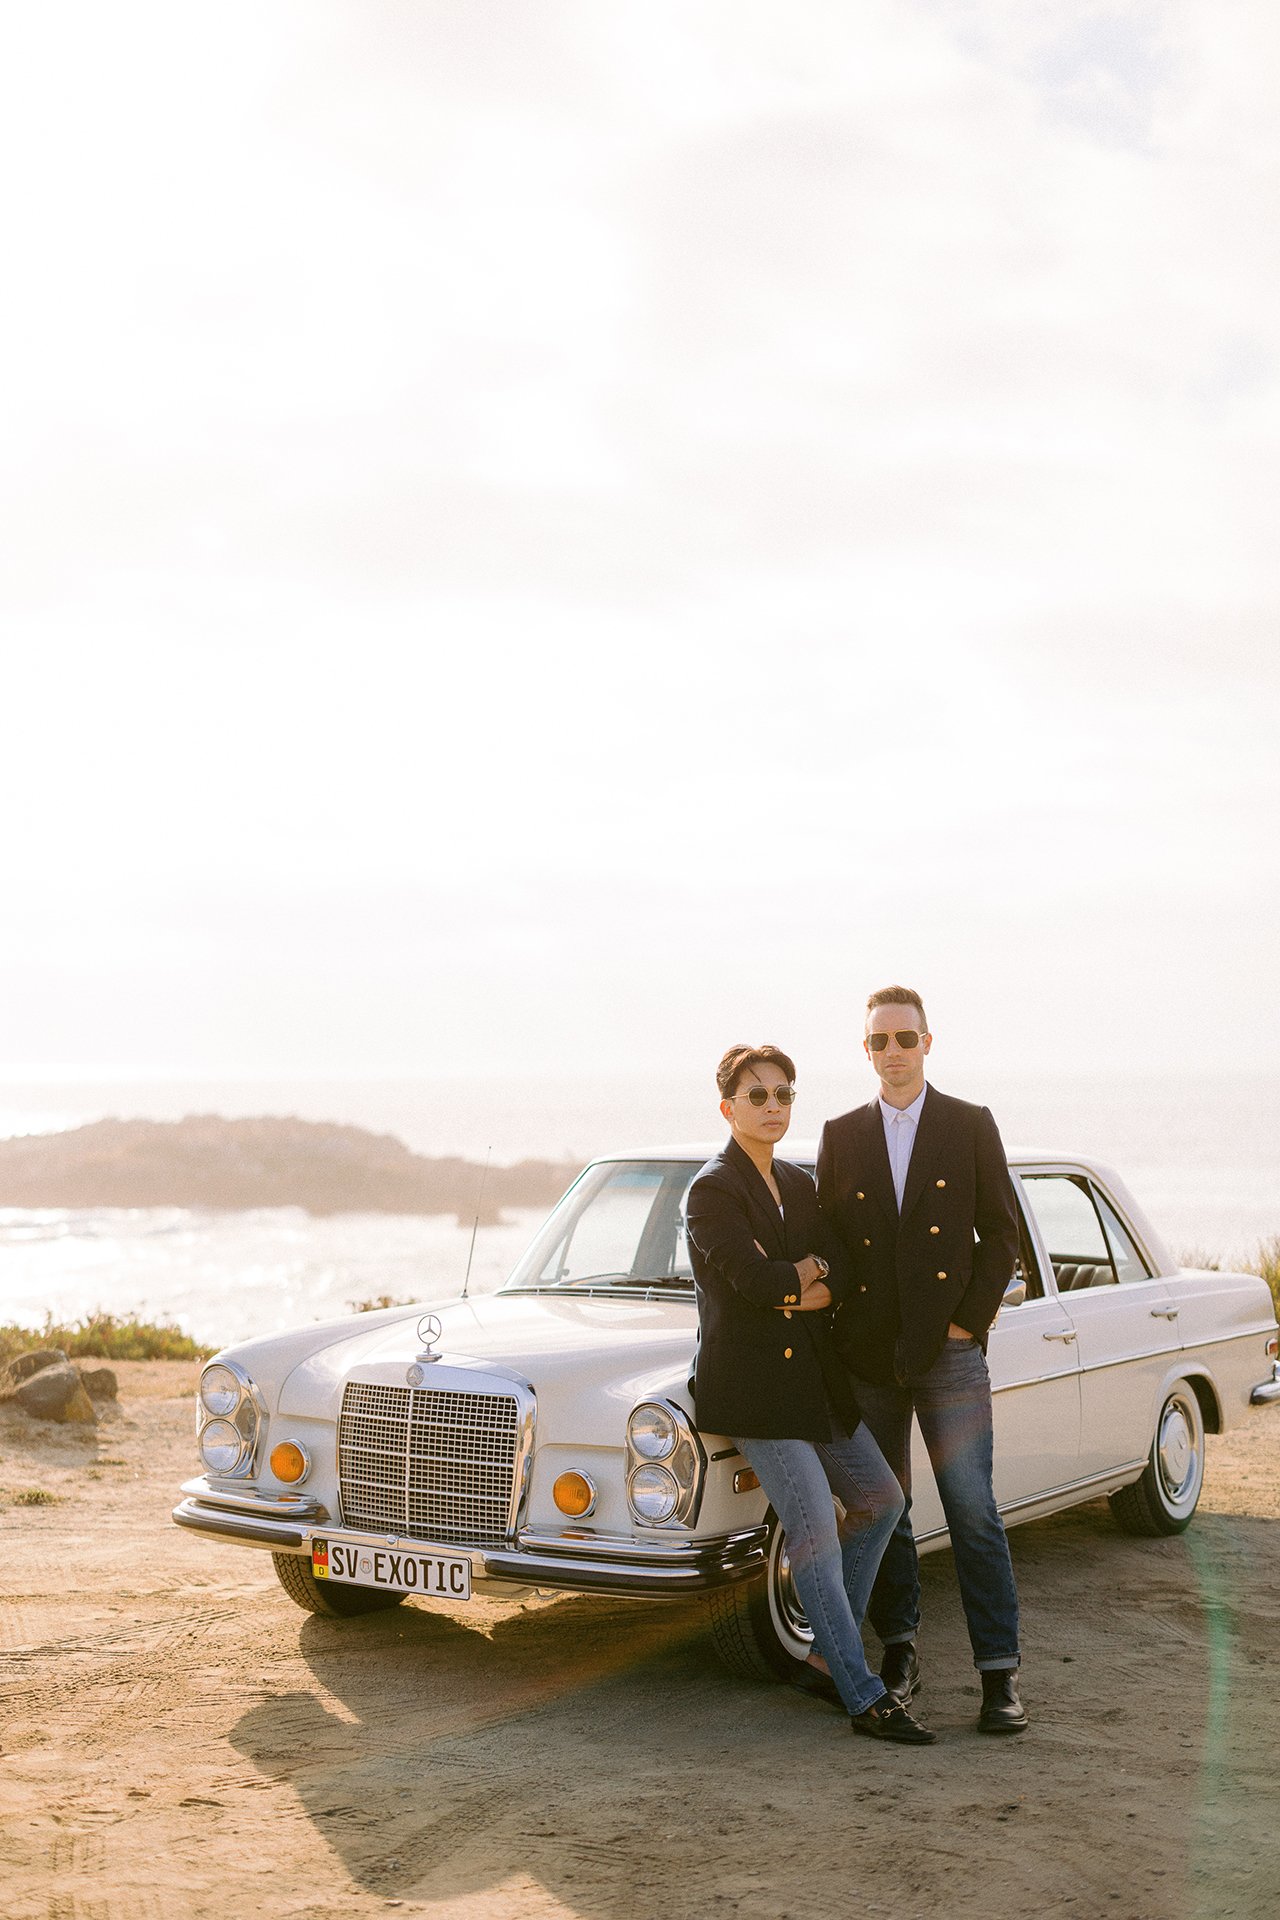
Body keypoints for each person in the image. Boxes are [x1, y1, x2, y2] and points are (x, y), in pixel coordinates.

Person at [685, 1042, 935, 1744]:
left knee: (881, 1501)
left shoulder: (799, 1184)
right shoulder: (711, 1190)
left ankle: (828, 1653)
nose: (772, 1106)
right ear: (728, 1106)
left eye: (784, 1094)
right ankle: (864, 1695)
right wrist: (796, 1284)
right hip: (754, 1394)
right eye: (757, 1095)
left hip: (815, 1387)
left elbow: (842, 1270)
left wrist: (804, 1275)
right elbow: (753, 1283)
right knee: (815, 1532)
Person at [816, 987, 1028, 1733]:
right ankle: (899, 1650)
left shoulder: (969, 1124)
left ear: (928, 1043)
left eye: (906, 1038)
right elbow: (832, 1245)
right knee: (888, 1506)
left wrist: (969, 1324)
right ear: (866, 1051)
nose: (894, 1052)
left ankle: (999, 1675)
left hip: (950, 1353)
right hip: (869, 1353)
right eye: (879, 1041)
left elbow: (1003, 1236)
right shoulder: (840, 1134)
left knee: (973, 1510)